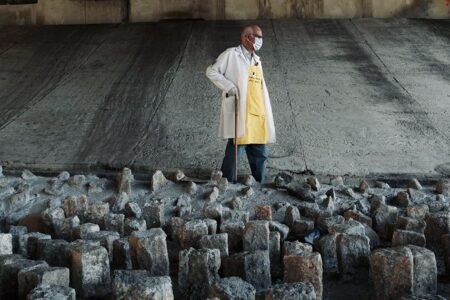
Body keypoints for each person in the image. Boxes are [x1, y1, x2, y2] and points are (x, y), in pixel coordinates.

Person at [206, 25, 276, 183]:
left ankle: (258, 183)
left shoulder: (257, 60)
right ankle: (226, 183)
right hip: (241, 111)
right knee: (236, 151)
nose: (260, 40)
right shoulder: (231, 54)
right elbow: (211, 71)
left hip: (257, 112)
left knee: (260, 153)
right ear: (247, 37)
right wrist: (229, 86)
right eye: (258, 37)